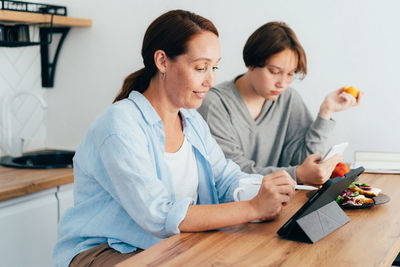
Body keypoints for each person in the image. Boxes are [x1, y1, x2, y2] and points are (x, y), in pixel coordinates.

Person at [53, 10, 297, 267]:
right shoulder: (120, 125)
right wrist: (253, 208)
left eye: (214, 67)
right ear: (162, 61)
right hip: (108, 250)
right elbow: (158, 215)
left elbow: (225, 178)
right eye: (201, 67)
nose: (210, 80)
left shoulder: (191, 120)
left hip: (168, 244)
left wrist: (267, 188)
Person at [198, 21, 361, 185]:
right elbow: (234, 173)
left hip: (282, 200)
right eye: (274, 72)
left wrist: (326, 112)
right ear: (251, 63)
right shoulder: (215, 104)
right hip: (236, 204)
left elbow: (306, 161)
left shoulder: (287, 98)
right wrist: (296, 174)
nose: (282, 83)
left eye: (290, 74)